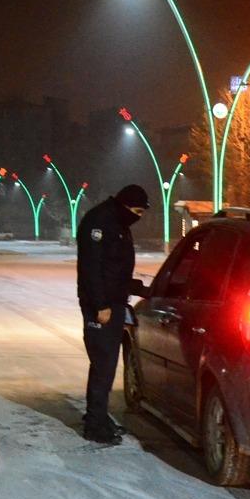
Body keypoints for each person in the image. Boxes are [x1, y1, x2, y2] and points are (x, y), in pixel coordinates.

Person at [76, 184, 149, 444]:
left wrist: (137, 288)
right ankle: (95, 427)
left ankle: (98, 415)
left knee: (105, 366)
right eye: (137, 210)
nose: (139, 216)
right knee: (103, 366)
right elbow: (92, 267)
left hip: (114, 303)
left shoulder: (117, 222)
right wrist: (100, 305)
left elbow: (115, 269)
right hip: (102, 307)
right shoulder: (100, 221)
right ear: (125, 205)